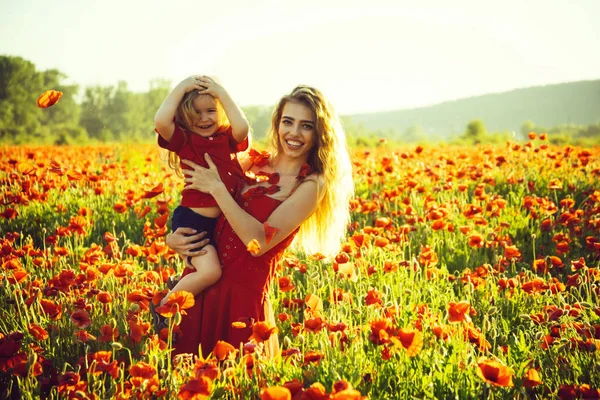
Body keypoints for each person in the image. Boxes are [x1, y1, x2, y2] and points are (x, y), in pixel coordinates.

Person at [165, 85, 354, 357]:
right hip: (200, 285)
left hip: (241, 303)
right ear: (277, 124)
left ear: (320, 133)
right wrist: (175, 237)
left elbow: (259, 242)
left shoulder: (312, 185)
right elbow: (199, 204)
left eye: (306, 126)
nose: (294, 133)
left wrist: (218, 188)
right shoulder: (251, 162)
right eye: (287, 122)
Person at [152, 75, 249, 332]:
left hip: (219, 222)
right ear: (184, 116)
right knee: (211, 273)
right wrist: (181, 86)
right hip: (194, 222)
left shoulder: (226, 138)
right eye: (196, 113)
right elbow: (161, 121)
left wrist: (222, 92)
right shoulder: (184, 140)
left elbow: (242, 128)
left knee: (212, 273)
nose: (205, 118)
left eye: (211, 111)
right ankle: (164, 307)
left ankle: (176, 288)